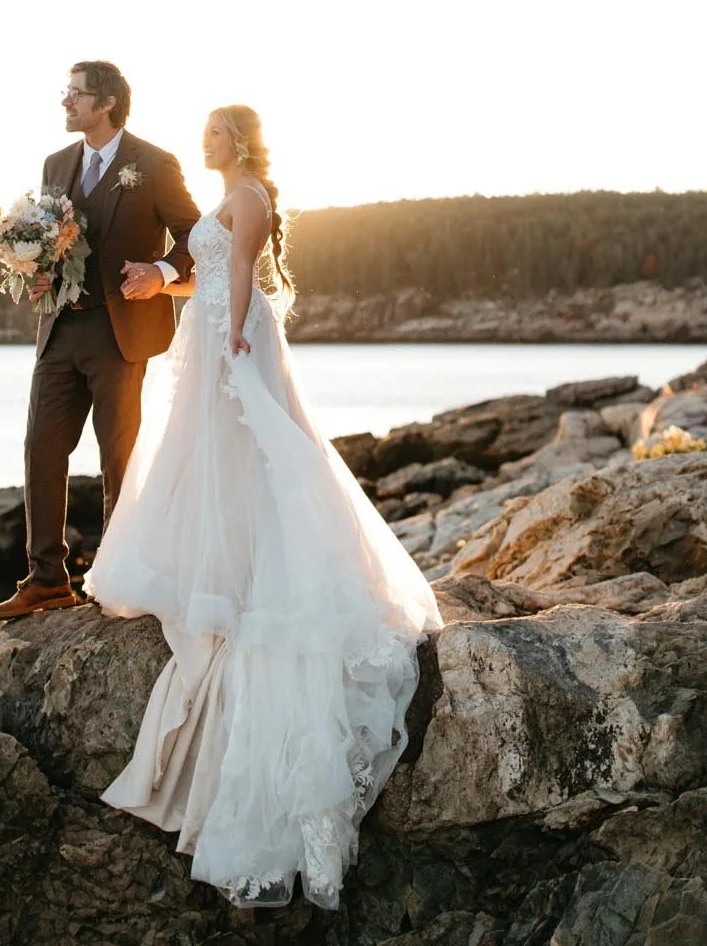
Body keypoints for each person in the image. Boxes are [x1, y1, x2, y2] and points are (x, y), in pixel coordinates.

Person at [85, 105, 441, 909]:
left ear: (238, 140)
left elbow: (241, 273)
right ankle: (223, 556)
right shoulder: (224, 198)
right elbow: (208, 272)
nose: (203, 141)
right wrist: (162, 279)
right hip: (214, 332)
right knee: (215, 464)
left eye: (213, 131)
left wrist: (235, 345)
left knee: (253, 456)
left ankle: (248, 568)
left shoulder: (248, 196)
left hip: (234, 340)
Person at [0, 61, 201, 621]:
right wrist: (34, 270)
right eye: (66, 93)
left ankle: (119, 576)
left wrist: (161, 272)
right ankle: (47, 579)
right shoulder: (56, 164)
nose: (65, 103)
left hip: (120, 333)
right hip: (60, 328)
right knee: (42, 448)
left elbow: (199, 241)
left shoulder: (153, 163)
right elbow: (54, 239)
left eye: (74, 94)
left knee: (118, 457)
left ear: (105, 103)